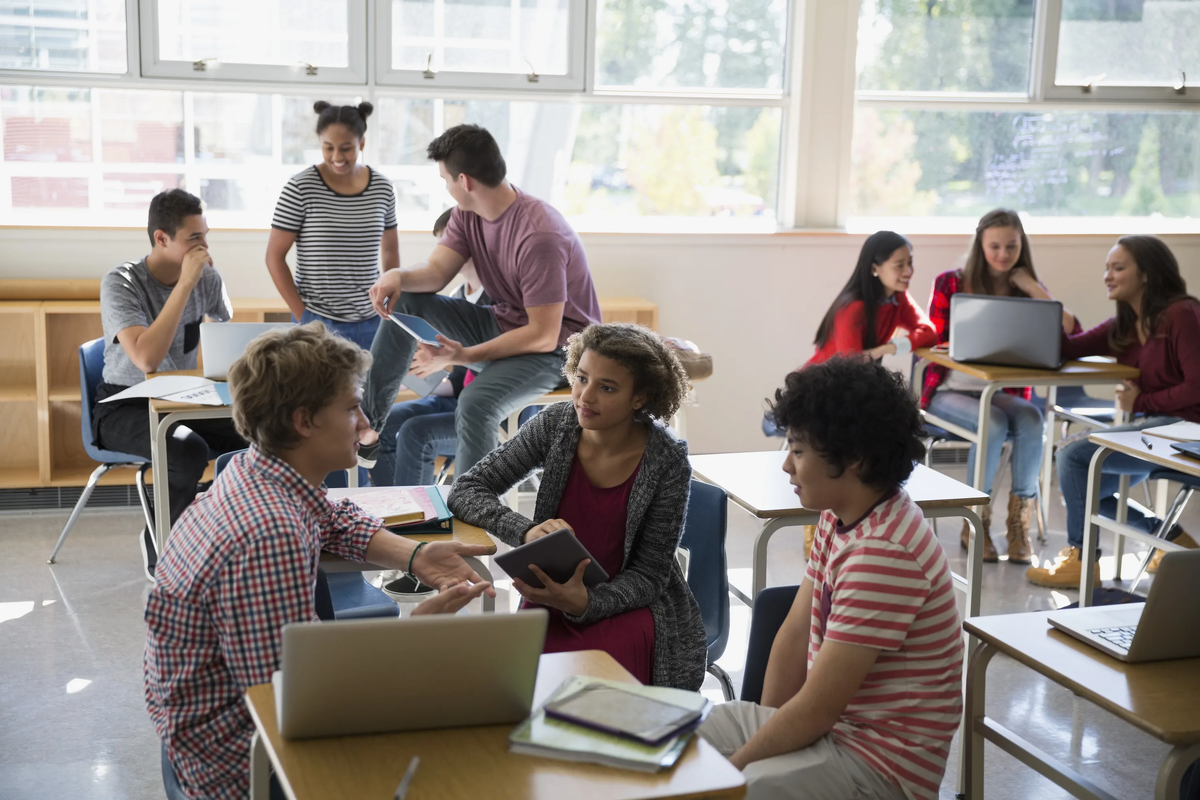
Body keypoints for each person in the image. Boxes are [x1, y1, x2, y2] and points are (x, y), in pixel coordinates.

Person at [145, 322, 494, 800]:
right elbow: (296, 705)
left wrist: (415, 554)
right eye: (351, 408)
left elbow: (331, 514)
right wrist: (411, 638)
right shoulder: (269, 536)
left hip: (204, 740)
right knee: (464, 751)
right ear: (304, 421)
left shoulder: (255, 471)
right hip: (245, 770)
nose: (363, 422)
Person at [699, 357, 963, 800]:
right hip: (834, 735)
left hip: (877, 768)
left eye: (798, 451)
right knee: (679, 734)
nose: (787, 465)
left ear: (853, 459)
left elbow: (818, 711)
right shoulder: (839, 514)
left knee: (733, 787)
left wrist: (735, 772)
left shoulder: (886, 551)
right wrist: (764, 745)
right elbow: (794, 634)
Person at [448, 323, 706, 689]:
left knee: (589, 682)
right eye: (581, 378)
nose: (585, 396)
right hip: (551, 596)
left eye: (607, 387)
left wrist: (586, 603)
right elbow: (467, 489)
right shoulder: (557, 425)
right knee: (519, 688)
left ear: (640, 398)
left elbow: (650, 576)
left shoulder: (666, 460)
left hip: (629, 607)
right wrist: (524, 530)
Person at [355, 124, 602, 478]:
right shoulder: (466, 215)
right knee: (405, 298)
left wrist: (465, 356)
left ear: (465, 181)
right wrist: (398, 276)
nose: (446, 188)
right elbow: (437, 272)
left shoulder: (539, 234)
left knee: (476, 403)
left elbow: (543, 335)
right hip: (502, 321)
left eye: (445, 180)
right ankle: (368, 426)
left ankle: (473, 516)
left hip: (559, 350)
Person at [1027, 236, 1200, 588]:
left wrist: (1141, 403)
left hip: (1188, 432)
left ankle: (1082, 559)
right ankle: (1172, 541)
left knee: (1074, 457)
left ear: (1147, 275)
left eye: (1118, 268)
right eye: (1107, 268)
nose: (1108, 275)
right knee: (1083, 485)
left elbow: (1197, 387)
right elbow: (1065, 349)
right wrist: (1034, 290)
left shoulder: (1182, 314)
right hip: (1158, 431)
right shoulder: (1124, 325)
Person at [95, 188, 246, 581]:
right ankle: (164, 543)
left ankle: (215, 525)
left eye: (206, 236)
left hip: (186, 398)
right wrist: (184, 285)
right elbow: (147, 358)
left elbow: (226, 324)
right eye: (194, 239)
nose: (204, 247)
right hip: (124, 404)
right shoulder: (121, 282)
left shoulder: (206, 277)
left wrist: (207, 280)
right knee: (184, 450)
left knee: (263, 433)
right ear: (162, 238)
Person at [923, 208, 1079, 565]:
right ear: (981, 244)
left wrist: (1029, 287)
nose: (1003, 255)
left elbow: (1071, 329)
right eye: (995, 246)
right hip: (949, 391)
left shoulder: (1027, 288)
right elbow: (932, 340)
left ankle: (1017, 525)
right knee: (991, 424)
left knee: (1031, 420)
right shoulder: (950, 282)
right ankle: (975, 521)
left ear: (1022, 246)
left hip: (1000, 393)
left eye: (1012, 246)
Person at [266, 101, 399, 351]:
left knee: (373, 390)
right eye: (328, 148)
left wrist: (392, 303)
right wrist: (302, 315)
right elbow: (274, 257)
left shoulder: (383, 188)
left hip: (373, 319)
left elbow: (390, 251)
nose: (337, 157)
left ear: (361, 143)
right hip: (317, 321)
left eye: (346, 148)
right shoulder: (300, 188)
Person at [371, 208, 489, 486]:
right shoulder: (455, 298)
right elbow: (459, 381)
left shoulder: (498, 299)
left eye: (450, 242)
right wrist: (418, 377)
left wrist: (444, 364)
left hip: (491, 410)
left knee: (415, 433)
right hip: (456, 399)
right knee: (382, 424)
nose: (445, 252)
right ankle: (396, 510)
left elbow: (498, 366)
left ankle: (420, 519)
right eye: (442, 244)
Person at [807, 230, 936, 365]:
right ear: (874, 268)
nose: (908, 271)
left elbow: (930, 334)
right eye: (899, 266)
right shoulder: (854, 308)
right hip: (823, 383)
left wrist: (886, 349)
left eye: (910, 262)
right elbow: (851, 366)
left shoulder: (898, 298)